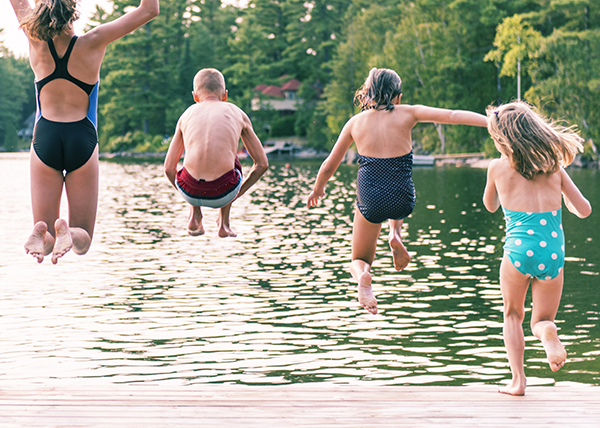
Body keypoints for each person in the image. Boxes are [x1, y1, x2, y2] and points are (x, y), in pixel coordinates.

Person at [4, 0, 167, 264]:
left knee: (42, 236)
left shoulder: (35, 41)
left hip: (45, 137)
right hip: (82, 138)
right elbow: (148, 10)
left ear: (42, 13)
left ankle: (43, 231)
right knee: (83, 238)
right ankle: (65, 230)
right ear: (71, 10)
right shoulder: (93, 42)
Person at [306, 67, 488, 314]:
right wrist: (490, 120)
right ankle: (395, 233)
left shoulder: (355, 123)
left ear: (367, 95)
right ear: (398, 97)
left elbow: (329, 164)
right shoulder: (409, 113)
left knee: (358, 259)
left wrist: (318, 190)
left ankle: (363, 277)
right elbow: (453, 115)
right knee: (395, 185)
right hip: (402, 198)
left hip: (370, 200)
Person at [483, 101, 591, 396]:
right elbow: (584, 209)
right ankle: (548, 335)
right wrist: (564, 202)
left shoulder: (497, 168)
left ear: (502, 139)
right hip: (553, 254)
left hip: (518, 252)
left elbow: (490, 205)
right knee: (542, 319)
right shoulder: (554, 167)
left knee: (512, 315)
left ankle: (518, 381)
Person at [164, 68, 269, 238]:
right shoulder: (238, 113)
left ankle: (195, 214)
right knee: (230, 156)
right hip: (224, 193)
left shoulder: (186, 115)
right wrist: (236, 194)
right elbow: (262, 164)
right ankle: (224, 224)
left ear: (195, 96)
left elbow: (169, 169)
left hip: (189, 191)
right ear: (225, 95)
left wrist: (187, 194)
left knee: (190, 155)